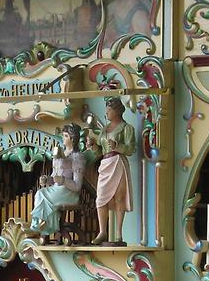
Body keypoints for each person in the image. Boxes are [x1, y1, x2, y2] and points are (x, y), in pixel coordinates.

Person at [87, 97, 135, 246]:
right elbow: (99, 152)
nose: (106, 113)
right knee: (100, 198)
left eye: (109, 110)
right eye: (106, 110)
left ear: (117, 111)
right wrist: (93, 146)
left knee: (119, 198)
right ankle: (103, 231)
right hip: (106, 163)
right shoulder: (104, 129)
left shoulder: (127, 128)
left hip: (118, 162)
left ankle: (119, 234)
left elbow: (130, 149)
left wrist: (117, 145)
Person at [30, 124, 86, 240]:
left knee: (43, 194)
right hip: (57, 189)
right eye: (63, 135)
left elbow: (77, 186)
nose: (63, 138)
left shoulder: (77, 157)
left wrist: (63, 180)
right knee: (40, 192)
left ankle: (44, 227)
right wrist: (46, 180)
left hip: (69, 193)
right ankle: (43, 224)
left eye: (66, 136)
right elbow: (54, 178)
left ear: (72, 139)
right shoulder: (59, 154)